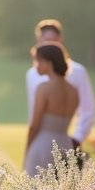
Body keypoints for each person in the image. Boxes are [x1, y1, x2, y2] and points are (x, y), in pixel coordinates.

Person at [25, 18, 95, 149]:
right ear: (38, 42)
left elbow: (87, 110)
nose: (49, 46)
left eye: (53, 41)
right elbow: (34, 112)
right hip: (40, 140)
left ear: (60, 40)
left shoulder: (78, 71)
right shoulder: (32, 74)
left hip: (66, 141)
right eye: (45, 41)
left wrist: (77, 139)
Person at [24, 43, 78, 176]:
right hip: (65, 144)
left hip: (44, 144)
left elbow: (34, 125)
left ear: (49, 62)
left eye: (38, 60)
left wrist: (28, 149)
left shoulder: (44, 88)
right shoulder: (74, 91)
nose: (36, 64)